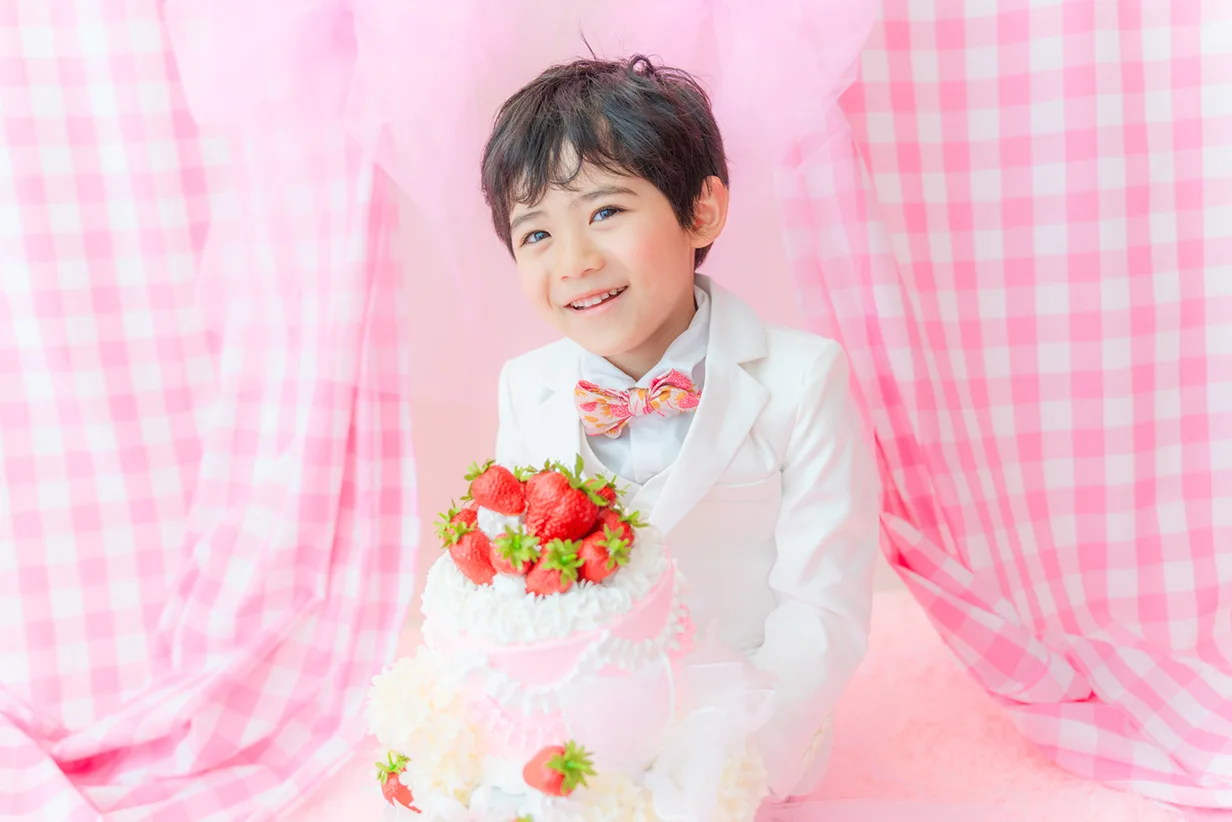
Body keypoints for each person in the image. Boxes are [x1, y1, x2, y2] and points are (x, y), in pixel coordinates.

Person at [482, 54, 880, 803]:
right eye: (535, 234)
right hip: (585, 739)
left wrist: (738, 763)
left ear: (702, 211)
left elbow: (822, 605)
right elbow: (515, 589)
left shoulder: (801, 380)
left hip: (754, 727)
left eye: (605, 212)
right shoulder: (527, 389)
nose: (574, 262)